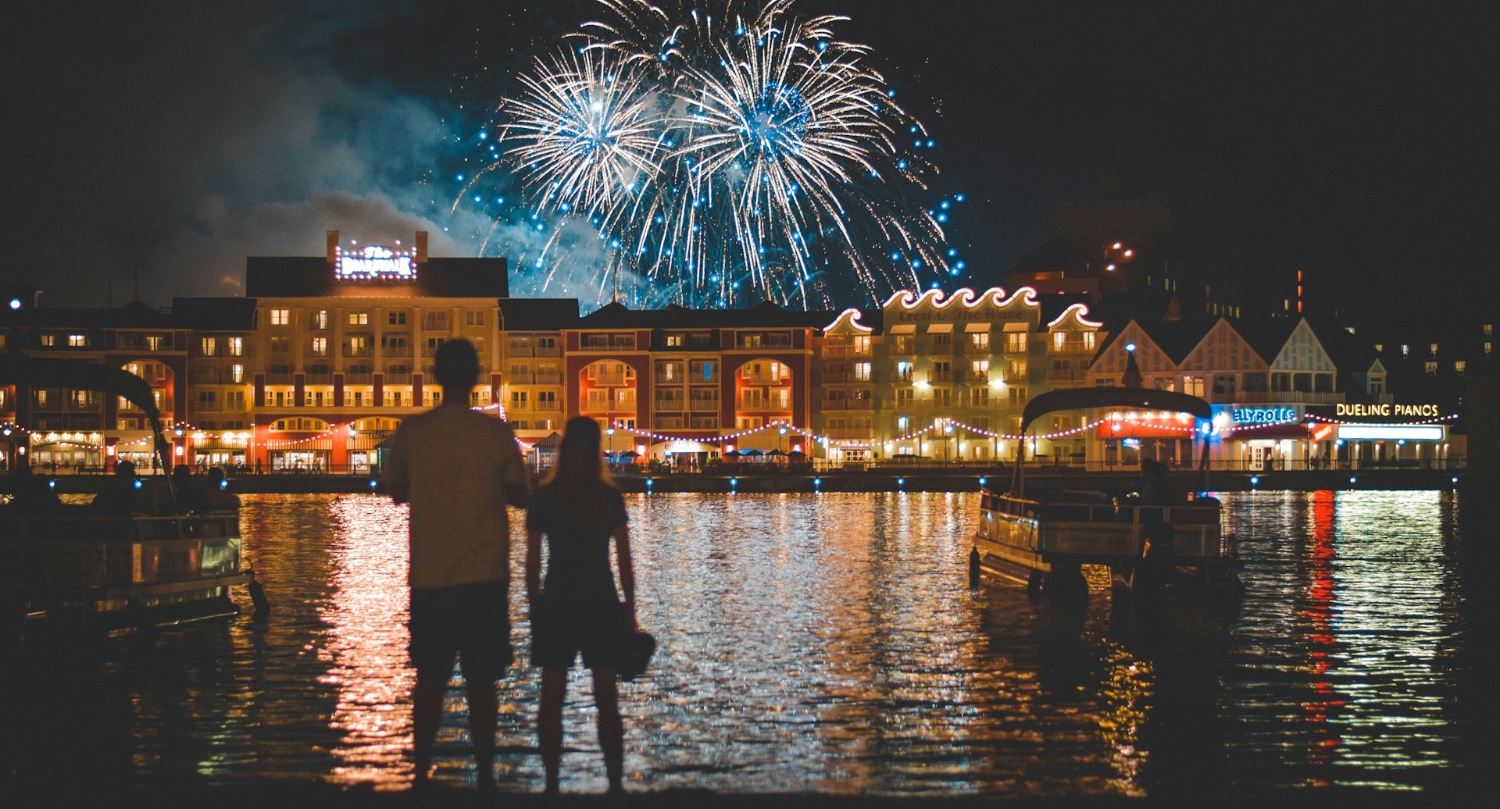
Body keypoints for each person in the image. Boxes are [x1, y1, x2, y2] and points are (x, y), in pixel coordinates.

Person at [383, 338, 530, 793]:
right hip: (484, 576)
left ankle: (421, 775)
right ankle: (485, 777)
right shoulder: (495, 435)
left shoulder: (413, 432)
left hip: (430, 576)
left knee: (430, 678)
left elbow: (394, 489)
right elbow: (522, 494)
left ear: (434, 377)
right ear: (476, 379)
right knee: (483, 680)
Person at [526, 416, 638, 795]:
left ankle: (553, 784)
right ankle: (616, 784)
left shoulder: (545, 496)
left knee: (551, 697)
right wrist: (630, 608)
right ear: (596, 451)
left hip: (557, 599)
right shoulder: (608, 497)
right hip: (600, 601)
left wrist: (534, 605)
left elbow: (531, 561)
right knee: (607, 698)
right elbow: (623, 559)